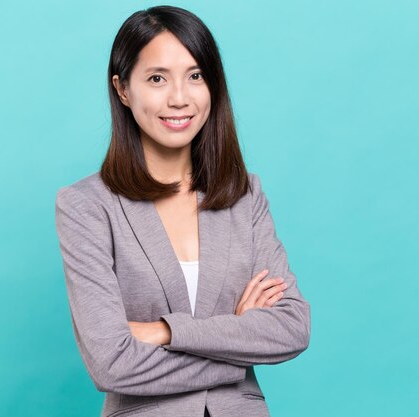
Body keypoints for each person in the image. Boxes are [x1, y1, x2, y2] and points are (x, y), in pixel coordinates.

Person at [54, 5, 311, 417]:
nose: (179, 98)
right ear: (122, 89)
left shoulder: (244, 194)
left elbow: (292, 328)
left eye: (196, 76)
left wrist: (164, 331)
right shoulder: (87, 206)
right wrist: (236, 344)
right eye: (157, 78)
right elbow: (111, 363)